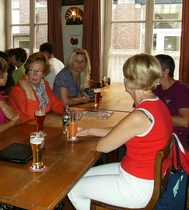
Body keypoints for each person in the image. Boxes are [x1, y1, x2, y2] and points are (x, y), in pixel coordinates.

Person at [67, 53, 173, 209]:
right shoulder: (157, 105)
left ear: (131, 80)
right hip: (144, 175)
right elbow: (123, 131)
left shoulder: (140, 116)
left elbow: (102, 147)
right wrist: (90, 129)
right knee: (76, 178)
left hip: (138, 186)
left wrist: (94, 136)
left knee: (73, 189)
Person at [8, 52, 64, 124]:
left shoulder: (44, 84)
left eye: (39, 71)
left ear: (44, 74)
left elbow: (55, 103)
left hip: (41, 125)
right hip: (22, 129)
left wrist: (67, 111)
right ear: (27, 71)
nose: (35, 74)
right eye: (31, 70)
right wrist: (28, 90)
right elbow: (33, 115)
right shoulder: (18, 90)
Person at [153, 54, 189, 144]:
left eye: (154, 67)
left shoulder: (181, 89)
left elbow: (185, 121)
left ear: (166, 71)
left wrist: (155, 117)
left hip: (175, 138)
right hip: (158, 133)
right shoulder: (155, 89)